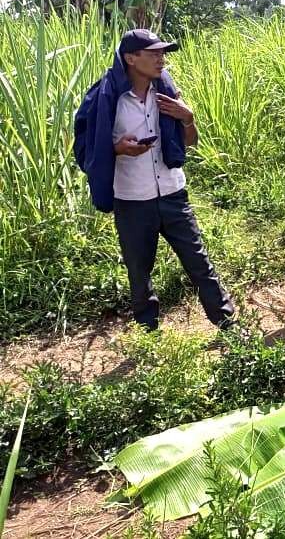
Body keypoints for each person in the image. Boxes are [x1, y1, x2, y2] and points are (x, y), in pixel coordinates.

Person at [73, 29, 236, 332]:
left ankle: (229, 325)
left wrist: (188, 118)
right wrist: (117, 149)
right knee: (139, 272)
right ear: (131, 58)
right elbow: (85, 150)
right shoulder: (107, 98)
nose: (162, 59)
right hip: (132, 199)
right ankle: (149, 334)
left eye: (163, 53)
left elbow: (190, 141)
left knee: (200, 264)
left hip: (173, 192)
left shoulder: (167, 93)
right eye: (154, 53)